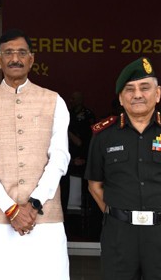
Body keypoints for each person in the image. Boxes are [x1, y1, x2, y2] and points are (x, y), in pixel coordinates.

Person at [0, 29, 71, 280]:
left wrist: (34, 203)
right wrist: (10, 209)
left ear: (31, 59)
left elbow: (59, 159)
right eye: (9, 53)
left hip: (44, 216)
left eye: (22, 53)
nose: (15, 58)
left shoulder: (54, 100)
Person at [85, 57, 161, 280]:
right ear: (120, 98)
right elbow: (94, 185)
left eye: (144, 88)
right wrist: (121, 216)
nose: (137, 94)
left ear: (157, 94)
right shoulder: (103, 136)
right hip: (119, 233)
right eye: (129, 89)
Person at [61, 91, 95, 236]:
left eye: (74, 98)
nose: (72, 100)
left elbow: (86, 140)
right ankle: (67, 226)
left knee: (86, 197)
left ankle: (86, 232)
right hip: (67, 160)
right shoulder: (67, 113)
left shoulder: (88, 115)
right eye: (71, 98)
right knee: (64, 194)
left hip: (84, 159)